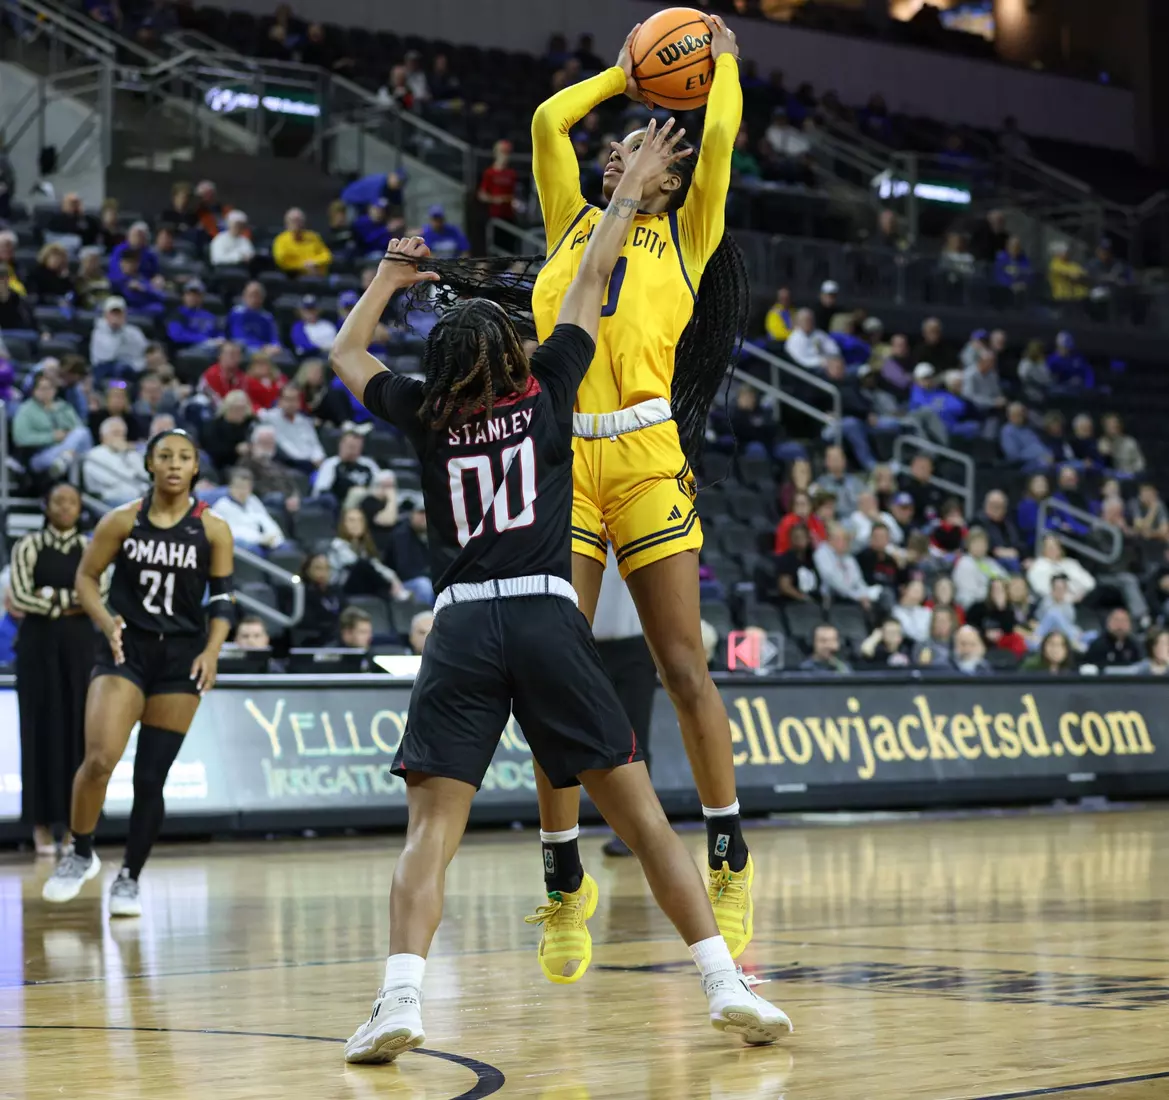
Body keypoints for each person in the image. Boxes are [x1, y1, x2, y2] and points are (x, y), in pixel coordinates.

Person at [332, 228, 790, 1062]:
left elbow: (345, 351)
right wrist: (622, 193)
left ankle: (399, 996)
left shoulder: (423, 412)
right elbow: (590, 276)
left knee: (428, 834)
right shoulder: (548, 390)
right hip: (546, 618)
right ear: (513, 351)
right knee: (645, 821)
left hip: (463, 624)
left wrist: (386, 280)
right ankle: (725, 983)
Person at [525, 15, 760, 968]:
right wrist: (620, 76)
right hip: (564, 458)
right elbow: (548, 122)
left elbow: (726, 129)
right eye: (625, 142)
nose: (630, 150)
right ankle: (560, 876)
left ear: (671, 178)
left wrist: (727, 61)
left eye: (651, 148)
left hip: (645, 456)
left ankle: (728, 853)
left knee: (682, 667)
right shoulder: (570, 218)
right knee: (550, 673)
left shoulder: (690, 235)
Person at [42, 429, 235, 915]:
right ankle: (80, 850)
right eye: (165, 456)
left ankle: (129, 876)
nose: (174, 464)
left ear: (195, 468)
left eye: (184, 457)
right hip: (127, 650)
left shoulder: (214, 529)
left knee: (151, 779)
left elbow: (224, 599)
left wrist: (212, 651)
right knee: (100, 760)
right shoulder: (121, 520)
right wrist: (106, 620)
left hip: (182, 659)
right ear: (149, 464)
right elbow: (86, 577)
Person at [11, 485, 96, 856]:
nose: (65, 508)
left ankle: (75, 827)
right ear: (46, 506)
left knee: (80, 731)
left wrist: (51, 596)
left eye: (72, 502)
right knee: (38, 730)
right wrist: (69, 601)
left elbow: (100, 596)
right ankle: (40, 824)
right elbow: (20, 595)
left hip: (80, 648)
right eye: (58, 501)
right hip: (37, 648)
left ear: (80, 508)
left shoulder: (91, 547)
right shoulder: (28, 545)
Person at [589, 545, 659, 857]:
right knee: (601, 742)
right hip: (589, 646)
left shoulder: (631, 523)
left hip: (635, 648)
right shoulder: (579, 524)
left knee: (635, 739)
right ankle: (621, 826)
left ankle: (641, 828)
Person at [211, 467, 288, 553]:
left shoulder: (253, 501)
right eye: (239, 487)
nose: (242, 491)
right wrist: (259, 540)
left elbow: (267, 521)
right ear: (231, 487)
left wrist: (275, 537)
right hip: (239, 546)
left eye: (245, 488)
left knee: (286, 548)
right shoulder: (222, 506)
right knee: (252, 549)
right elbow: (231, 533)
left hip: (261, 541)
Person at [84, 416, 152, 505]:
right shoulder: (95, 454)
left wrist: (128, 454)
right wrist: (130, 472)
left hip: (139, 494)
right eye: (115, 433)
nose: (119, 438)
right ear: (103, 436)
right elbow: (110, 479)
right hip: (111, 497)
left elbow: (145, 475)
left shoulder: (129, 453)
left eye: (122, 434)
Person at [297, 553, 342, 646]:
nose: (323, 573)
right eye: (318, 568)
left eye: (327, 568)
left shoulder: (336, 591)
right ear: (307, 570)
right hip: (314, 639)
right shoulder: (301, 592)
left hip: (337, 636)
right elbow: (306, 622)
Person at [273, 207, 333, 275]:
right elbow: (282, 261)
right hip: (294, 277)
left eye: (299, 220)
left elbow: (327, 256)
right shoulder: (280, 240)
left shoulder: (313, 237)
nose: (297, 224)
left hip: (318, 275)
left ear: (304, 222)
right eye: (293, 221)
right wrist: (304, 266)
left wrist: (314, 262)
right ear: (286, 224)